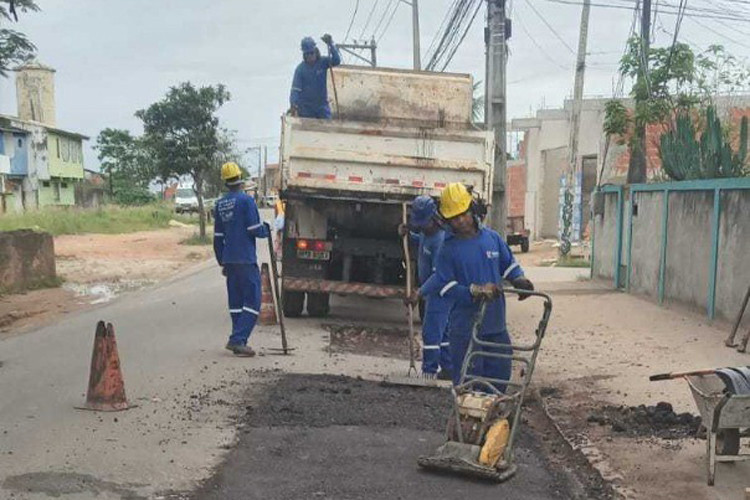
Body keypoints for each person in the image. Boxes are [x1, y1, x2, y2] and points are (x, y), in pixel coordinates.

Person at [432, 183, 534, 389]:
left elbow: (508, 265)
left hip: (495, 325)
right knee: (469, 383)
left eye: (463, 214)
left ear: (472, 209)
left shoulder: (492, 238)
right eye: (454, 217)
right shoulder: (447, 250)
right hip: (465, 329)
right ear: (446, 220)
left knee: (499, 378)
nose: (460, 221)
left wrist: (519, 279)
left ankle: (495, 414)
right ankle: (470, 418)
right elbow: (444, 287)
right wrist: (474, 290)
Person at [213, 162, 271, 357]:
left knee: (236, 302)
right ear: (240, 180)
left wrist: (222, 261)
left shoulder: (220, 204)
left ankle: (239, 340)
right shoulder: (246, 201)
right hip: (245, 259)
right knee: (253, 301)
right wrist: (268, 229)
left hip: (229, 259)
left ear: (225, 181)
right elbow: (254, 229)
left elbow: (218, 237)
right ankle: (237, 339)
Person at [402, 196, 453, 380]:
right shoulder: (426, 233)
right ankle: (448, 369)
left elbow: (438, 276)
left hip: (438, 292)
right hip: (431, 291)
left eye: (424, 223)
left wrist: (419, 293)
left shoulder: (440, 241)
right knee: (444, 331)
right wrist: (409, 235)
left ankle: (429, 371)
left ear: (434, 217)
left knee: (431, 331)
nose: (422, 227)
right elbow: (421, 241)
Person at [289, 34, 341, 119]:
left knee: (328, 127)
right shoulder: (300, 70)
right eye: (307, 54)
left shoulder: (323, 62)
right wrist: (293, 104)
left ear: (316, 51)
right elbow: (295, 90)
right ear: (304, 55)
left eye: (311, 53)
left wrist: (330, 44)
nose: (310, 56)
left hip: (322, 106)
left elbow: (336, 60)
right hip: (306, 109)